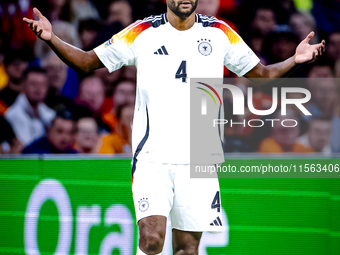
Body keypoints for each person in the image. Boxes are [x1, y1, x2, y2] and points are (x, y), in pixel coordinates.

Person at [23, 1, 325, 253]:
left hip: (200, 158)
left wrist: (295, 61)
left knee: (187, 250)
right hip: (153, 157)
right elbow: (87, 62)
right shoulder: (142, 32)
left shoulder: (220, 32)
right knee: (152, 240)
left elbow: (260, 75)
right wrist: (51, 38)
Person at [5, 67, 55, 147]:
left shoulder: (50, 113)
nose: (38, 89)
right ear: (22, 85)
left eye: (42, 84)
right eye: (33, 84)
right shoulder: (12, 115)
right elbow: (25, 147)